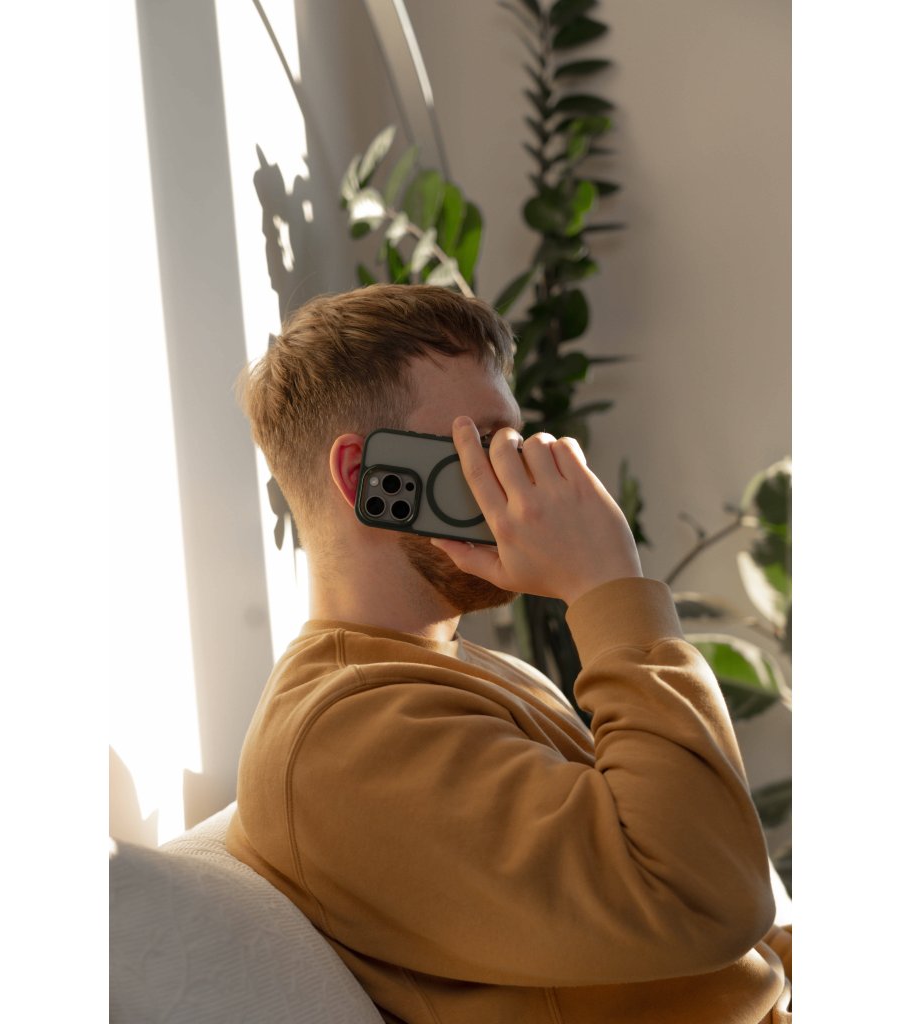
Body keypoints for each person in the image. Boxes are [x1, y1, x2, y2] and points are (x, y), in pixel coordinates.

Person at [226, 284, 792, 1023]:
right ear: (366, 477)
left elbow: (737, 943)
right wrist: (607, 586)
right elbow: (705, 897)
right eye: (490, 443)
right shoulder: (343, 737)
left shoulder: (467, 669)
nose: (524, 471)